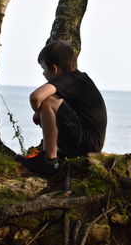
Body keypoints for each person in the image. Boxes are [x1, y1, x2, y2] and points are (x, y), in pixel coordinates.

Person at [15, 40, 107, 175]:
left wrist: (38, 112)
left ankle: (49, 160)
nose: (43, 74)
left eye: (44, 69)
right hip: (88, 144)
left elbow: (35, 97)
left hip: (86, 144)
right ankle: (53, 156)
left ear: (54, 68)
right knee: (50, 101)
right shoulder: (78, 80)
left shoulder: (69, 79)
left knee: (49, 102)